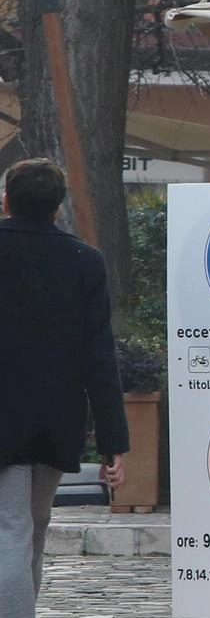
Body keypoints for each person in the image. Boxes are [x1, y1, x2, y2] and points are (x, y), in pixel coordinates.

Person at [0, 158, 129, 617]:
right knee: (33, 527)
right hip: (57, 420)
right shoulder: (84, 261)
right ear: (58, 208)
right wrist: (115, 442)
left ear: (6, 201)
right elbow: (100, 357)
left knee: (11, 530)